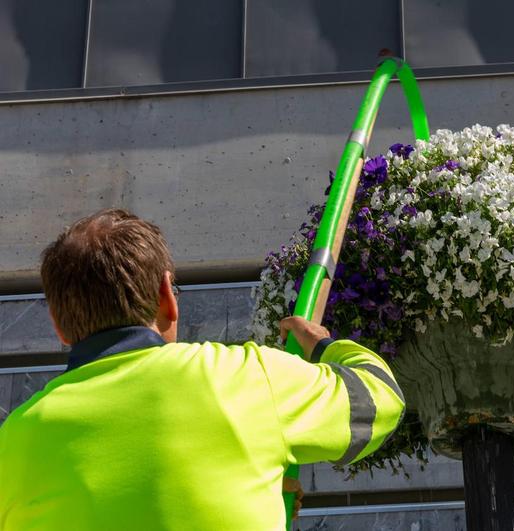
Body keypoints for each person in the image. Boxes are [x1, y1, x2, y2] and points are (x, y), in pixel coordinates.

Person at [0, 208, 405, 530]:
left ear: (57, 323)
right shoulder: (247, 379)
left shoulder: (13, 441)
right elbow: (379, 399)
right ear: (166, 296)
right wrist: (324, 345)